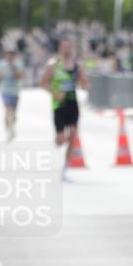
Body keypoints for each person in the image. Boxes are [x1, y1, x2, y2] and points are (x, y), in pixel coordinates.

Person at [39, 37, 89, 178]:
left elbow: (84, 82)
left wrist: (85, 85)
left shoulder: (77, 65)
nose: (67, 50)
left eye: (69, 47)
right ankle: (59, 139)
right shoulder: (53, 65)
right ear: (60, 48)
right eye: (64, 47)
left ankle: (65, 168)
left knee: (73, 135)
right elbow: (43, 82)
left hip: (73, 103)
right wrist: (54, 93)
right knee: (61, 139)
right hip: (58, 105)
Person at [0, 47, 25, 141]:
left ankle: (12, 127)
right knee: (8, 110)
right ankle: (8, 130)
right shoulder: (1, 63)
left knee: (14, 114)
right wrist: (2, 76)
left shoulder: (18, 64)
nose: (10, 56)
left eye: (12, 54)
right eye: (8, 54)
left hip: (15, 91)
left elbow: (20, 75)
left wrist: (13, 69)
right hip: (4, 90)